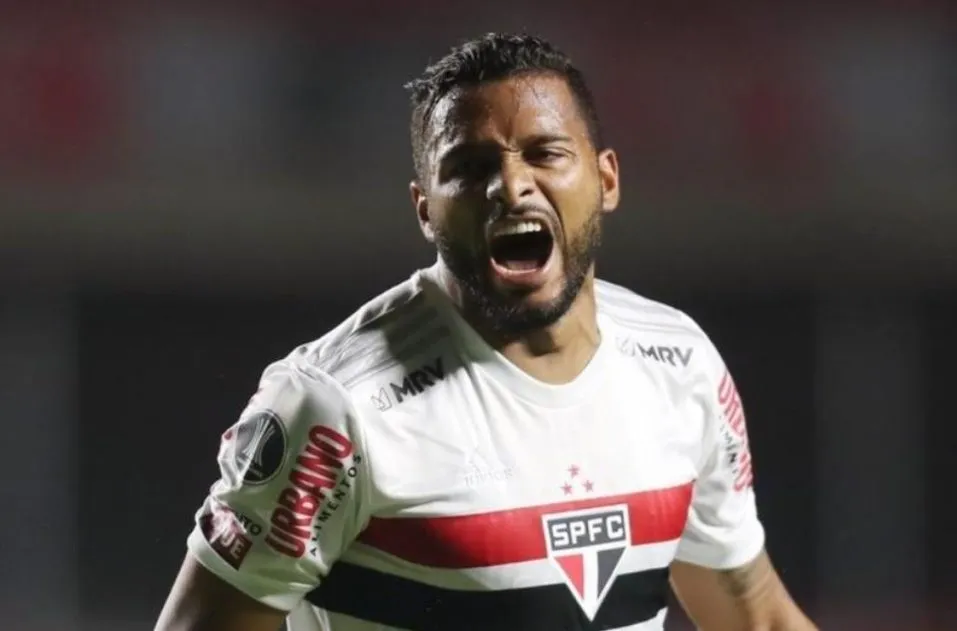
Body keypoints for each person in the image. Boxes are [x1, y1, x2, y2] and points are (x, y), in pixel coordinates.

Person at [154, 32, 817, 631]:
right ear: (425, 209)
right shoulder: (336, 408)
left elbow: (757, 617)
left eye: (545, 153)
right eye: (471, 167)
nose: (511, 185)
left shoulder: (679, 368)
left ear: (607, 179)